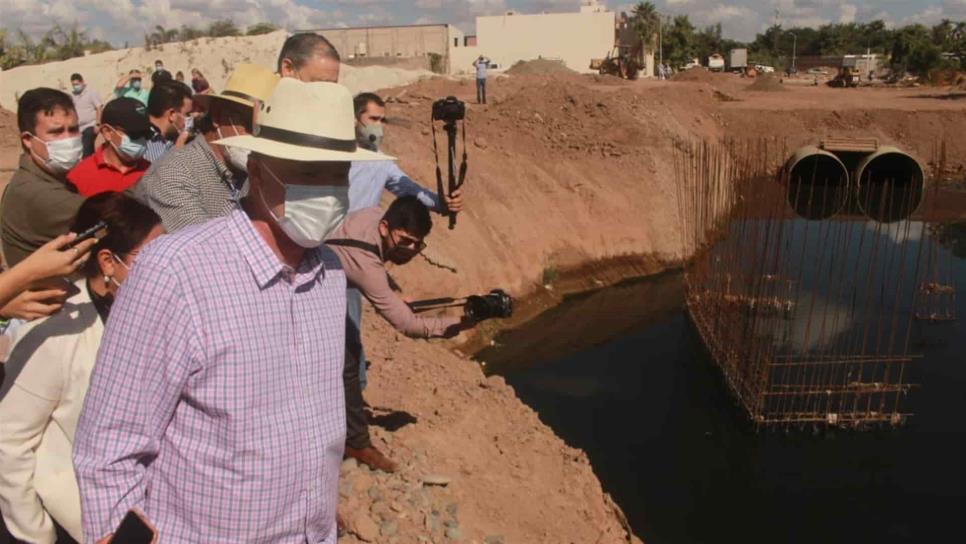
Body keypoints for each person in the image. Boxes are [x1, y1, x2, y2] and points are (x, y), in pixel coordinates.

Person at [73, 77, 391, 544]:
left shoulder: (327, 273)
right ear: (258, 169)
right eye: (306, 172)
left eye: (336, 174)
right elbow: (109, 450)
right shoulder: (177, 272)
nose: (325, 191)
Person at [0, 193, 162, 544]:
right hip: (72, 526)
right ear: (108, 262)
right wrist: (35, 534)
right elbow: (10, 443)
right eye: (150, 258)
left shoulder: (153, 319)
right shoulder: (55, 331)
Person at [327, 197, 477, 472]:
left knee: (348, 355)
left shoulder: (374, 213)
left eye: (418, 244)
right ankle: (352, 442)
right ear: (385, 228)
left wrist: (391, 293)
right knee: (346, 358)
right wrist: (464, 321)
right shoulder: (366, 263)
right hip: (305, 283)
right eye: (406, 241)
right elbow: (408, 325)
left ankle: (353, 437)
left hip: (330, 276)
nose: (411, 250)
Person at [345, 91, 466, 404]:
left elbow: (409, 190)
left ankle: (354, 394)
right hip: (335, 251)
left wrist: (442, 204)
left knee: (350, 327)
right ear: (355, 119)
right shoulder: (337, 157)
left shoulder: (382, 163)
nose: (380, 126)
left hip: (364, 253)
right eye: (373, 119)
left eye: (383, 120)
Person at [135, 63, 278, 232]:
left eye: (268, 130)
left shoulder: (250, 169)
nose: (257, 137)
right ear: (218, 115)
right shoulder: (173, 174)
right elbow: (205, 251)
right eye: (251, 124)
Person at [1, 88, 84, 267]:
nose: (68, 139)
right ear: (28, 140)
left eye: (74, 129)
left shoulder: (51, 177)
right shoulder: (35, 193)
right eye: (56, 132)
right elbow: (116, 216)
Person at [66, 97, 152, 197]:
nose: (141, 140)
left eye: (146, 133)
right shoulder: (79, 177)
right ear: (107, 132)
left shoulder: (153, 173)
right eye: (134, 134)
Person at [145, 80, 193, 162]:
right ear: (172, 114)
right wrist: (176, 155)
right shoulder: (139, 145)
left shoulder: (179, 139)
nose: (190, 120)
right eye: (187, 114)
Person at [69, 73, 102, 158]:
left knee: (87, 148)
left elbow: (99, 107)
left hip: (90, 125)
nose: (75, 86)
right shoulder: (73, 95)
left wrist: (98, 124)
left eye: (77, 84)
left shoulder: (91, 93)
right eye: (73, 85)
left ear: (82, 82)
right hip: (78, 127)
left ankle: (87, 164)